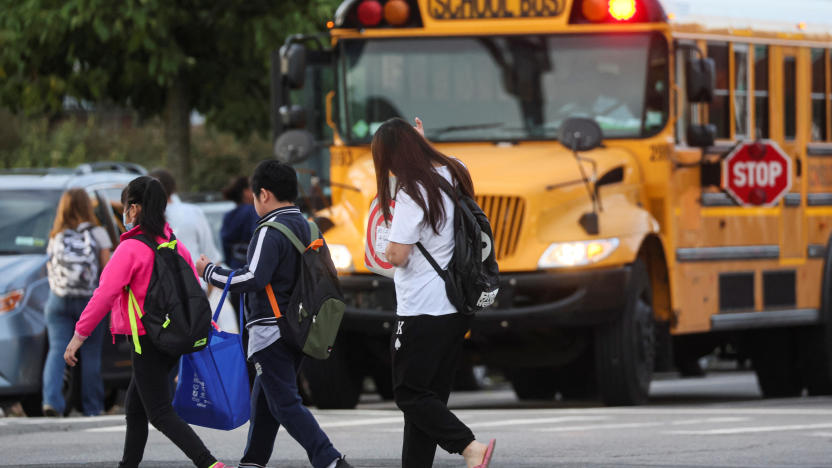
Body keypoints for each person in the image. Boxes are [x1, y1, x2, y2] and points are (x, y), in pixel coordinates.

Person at [63, 176, 230, 468]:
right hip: (174, 339)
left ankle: (209, 463)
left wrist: (78, 336)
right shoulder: (175, 245)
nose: (124, 213)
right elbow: (192, 293)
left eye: (126, 206)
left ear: (136, 208)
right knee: (136, 409)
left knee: (159, 412)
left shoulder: (130, 249)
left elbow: (103, 295)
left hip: (146, 339)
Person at [196, 160, 351, 468]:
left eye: (254, 197)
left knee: (284, 403)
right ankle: (252, 462)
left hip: (271, 330)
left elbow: (252, 278)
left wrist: (209, 272)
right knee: (266, 402)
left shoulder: (269, 229)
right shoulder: (309, 226)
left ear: (263, 194)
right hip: (300, 327)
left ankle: (330, 460)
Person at [373, 117, 496, 468]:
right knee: (429, 400)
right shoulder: (454, 173)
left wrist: (384, 247)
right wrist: (420, 142)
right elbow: (443, 161)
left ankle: (470, 447)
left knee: (409, 395)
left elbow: (398, 254)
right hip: (456, 306)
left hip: (421, 310)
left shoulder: (412, 193)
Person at [43, 188, 112, 417]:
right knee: (91, 353)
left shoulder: (55, 235)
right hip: (88, 301)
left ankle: (52, 401)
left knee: (57, 351)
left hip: (58, 300)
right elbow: (107, 269)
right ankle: (92, 407)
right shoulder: (98, 233)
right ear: (87, 206)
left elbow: (49, 268)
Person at [149, 168, 222, 262]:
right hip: (194, 273)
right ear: (173, 187)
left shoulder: (144, 218)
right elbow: (210, 254)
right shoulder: (193, 212)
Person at [220, 176, 259, 270]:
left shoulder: (228, 216)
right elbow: (258, 239)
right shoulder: (253, 212)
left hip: (235, 268)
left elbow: (225, 246)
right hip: (252, 269)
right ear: (246, 192)